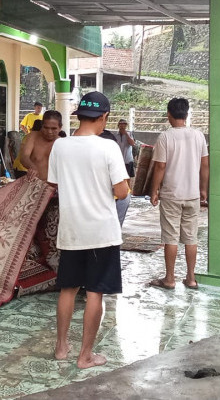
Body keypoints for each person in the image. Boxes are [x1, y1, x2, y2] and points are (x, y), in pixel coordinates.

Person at [48, 91, 129, 369]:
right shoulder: (109, 147)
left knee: (67, 289)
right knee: (95, 292)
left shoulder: (60, 146)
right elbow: (122, 190)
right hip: (101, 233)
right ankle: (85, 356)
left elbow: (55, 184)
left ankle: (61, 347)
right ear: (104, 117)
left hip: (71, 229)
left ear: (78, 116)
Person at [148, 97, 209, 290]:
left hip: (172, 194)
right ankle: (191, 279)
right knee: (191, 237)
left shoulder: (165, 137)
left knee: (170, 238)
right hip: (192, 195)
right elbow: (205, 164)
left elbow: (160, 166)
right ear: (187, 114)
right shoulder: (198, 135)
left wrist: (154, 190)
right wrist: (203, 189)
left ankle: (170, 279)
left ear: (168, 114)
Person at [100, 128, 131, 227]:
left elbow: (122, 193)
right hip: (112, 197)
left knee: (114, 227)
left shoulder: (112, 158)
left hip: (118, 198)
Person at [20, 110, 62, 180]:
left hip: (56, 187)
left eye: (54, 128)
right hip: (35, 184)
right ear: (42, 125)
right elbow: (24, 157)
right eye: (46, 128)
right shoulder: (33, 136)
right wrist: (32, 167)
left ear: (60, 128)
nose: (49, 132)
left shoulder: (62, 143)